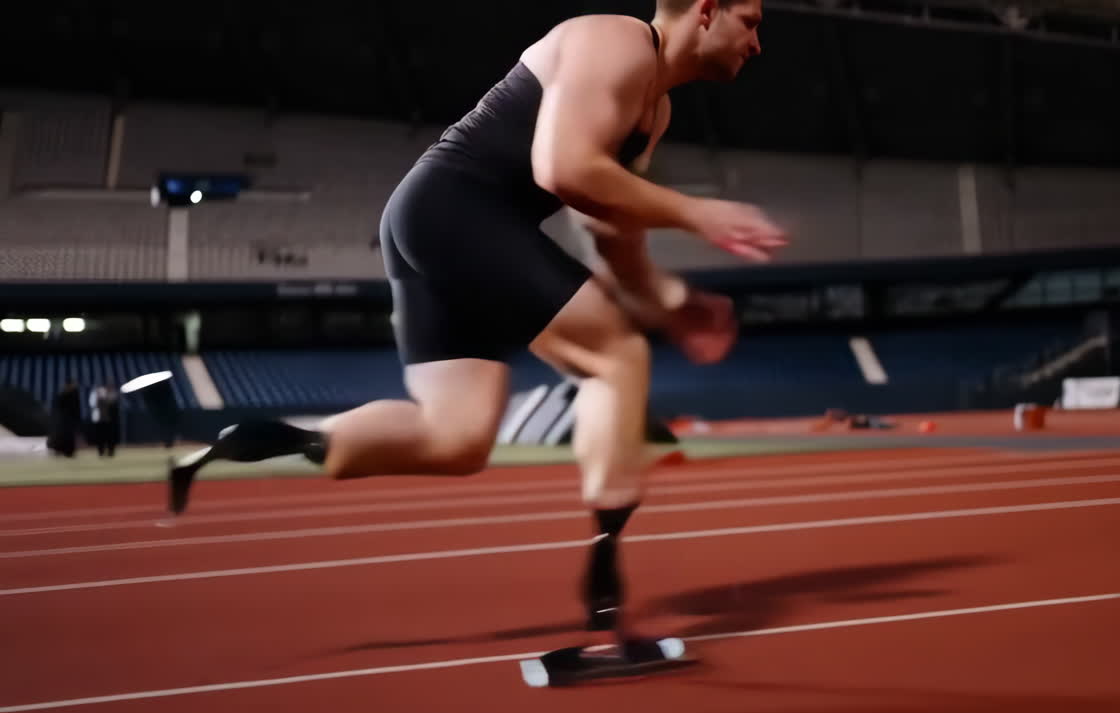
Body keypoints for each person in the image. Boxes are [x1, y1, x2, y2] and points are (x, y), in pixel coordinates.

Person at [168, 0, 783, 635]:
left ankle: (263, 441)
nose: (757, 43)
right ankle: (607, 587)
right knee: (617, 357)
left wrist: (674, 302)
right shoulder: (618, 41)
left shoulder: (653, 111)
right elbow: (565, 169)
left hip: (429, 219)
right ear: (706, 11)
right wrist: (698, 213)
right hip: (457, 211)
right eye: (752, 21)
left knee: (455, 439)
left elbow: (610, 232)